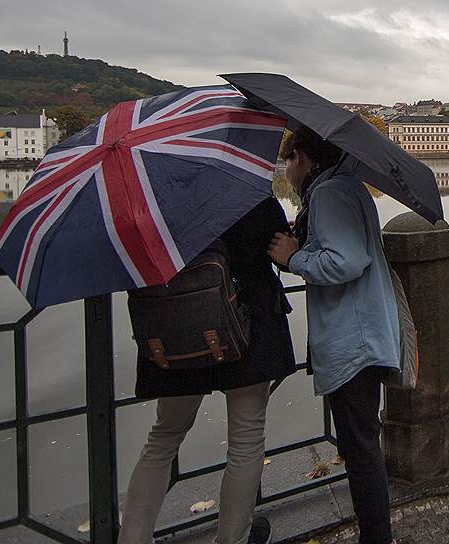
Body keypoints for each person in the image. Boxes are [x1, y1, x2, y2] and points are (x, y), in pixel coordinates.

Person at [118, 197, 296, 544]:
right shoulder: (247, 194)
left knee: (164, 436)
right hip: (248, 327)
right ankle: (233, 538)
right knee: (246, 440)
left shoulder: (153, 202)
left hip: (176, 329)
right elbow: (279, 249)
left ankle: (133, 538)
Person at [267, 127, 399, 544]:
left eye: (287, 160)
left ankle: (376, 538)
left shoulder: (328, 194)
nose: (286, 170)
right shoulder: (344, 188)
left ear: (303, 157)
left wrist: (293, 258)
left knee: (360, 450)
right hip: (365, 333)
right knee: (363, 446)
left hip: (354, 341)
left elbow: (346, 261)